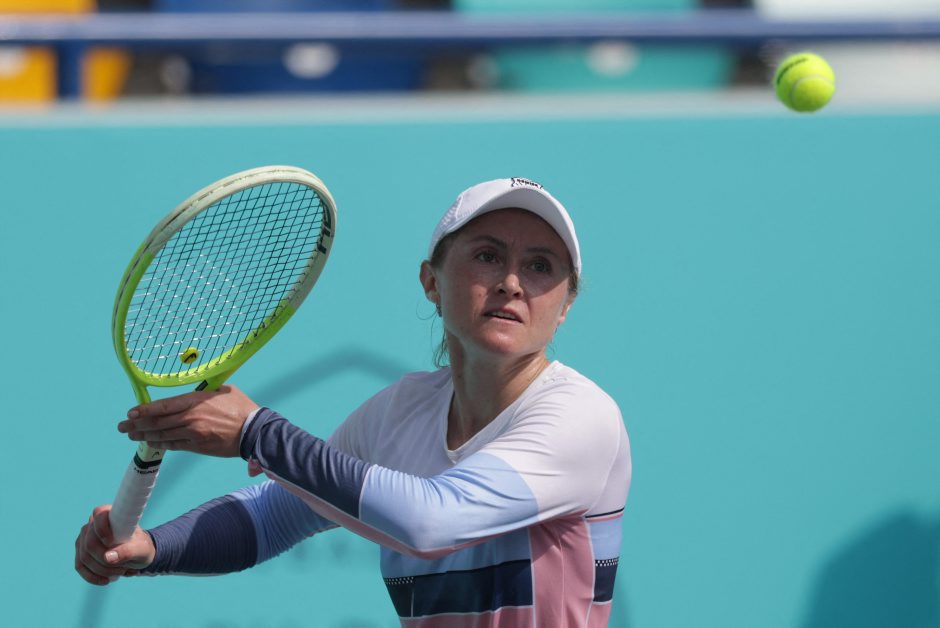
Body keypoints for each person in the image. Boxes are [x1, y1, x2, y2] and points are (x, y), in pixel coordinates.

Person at [75, 176, 632, 627]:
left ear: (565, 306)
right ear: (431, 282)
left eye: (540, 266)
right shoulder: (399, 413)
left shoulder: (582, 416)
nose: (512, 282)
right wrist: (151, 548)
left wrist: (256, 432)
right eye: (487, 255)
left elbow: (433, 521)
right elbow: (275, 514)